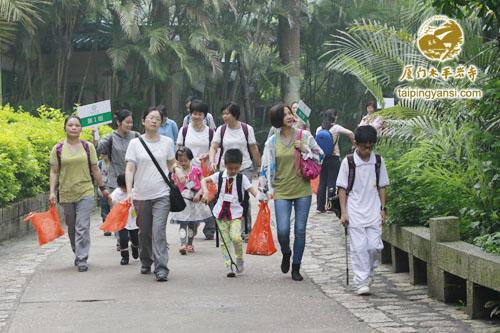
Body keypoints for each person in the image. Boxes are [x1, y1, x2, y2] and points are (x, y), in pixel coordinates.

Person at [259, 103, 324, 281]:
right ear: (277, 119)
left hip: (302, 189)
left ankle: (296, 266)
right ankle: (286, 252)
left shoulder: (305, 136)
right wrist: (263, 193)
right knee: (282, 230)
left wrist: (306, 150)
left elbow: (321, 156)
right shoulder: (272, 142)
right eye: (284, 114)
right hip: (281, 191)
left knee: (300, 230)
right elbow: (265, 168)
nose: (289, 116)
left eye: (289, 113)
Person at [49, 115, 108, 272]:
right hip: (66, 192)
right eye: (70, 125)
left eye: (77, 125)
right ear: (65, 128)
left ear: (81, 128)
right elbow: (54, 172)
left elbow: (95, 169)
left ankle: (82, 258)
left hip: (85, 191)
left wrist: (102, 188)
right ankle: (77, 250)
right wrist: (52, 192)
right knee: (72, 226)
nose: (74, 128)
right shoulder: (58, 149)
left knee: (82, 225)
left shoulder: (88, 147)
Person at [336, 125, 390, 295]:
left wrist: (383, 209)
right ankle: (361, 282)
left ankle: (369, 272)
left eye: (370, 146)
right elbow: (342, 189)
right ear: (356, 144)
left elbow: (382, 187)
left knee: (374, 247)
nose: (367, 150)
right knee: (359, 248)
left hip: (373, 209)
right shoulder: (349, 162)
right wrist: (344, 212)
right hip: (355, 210)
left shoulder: (378, 162)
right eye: (364, 146)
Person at [125, 107, 176, 282]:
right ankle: (146, 260)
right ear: (143, 121)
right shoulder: (135, 143)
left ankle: (161, 267)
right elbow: (130, 168)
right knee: (144, 232)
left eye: (158, 118)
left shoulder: (168, 142)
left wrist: (179, 172)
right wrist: (129, 191)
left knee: (158, 231)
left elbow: (171, 164)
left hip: (162, 193)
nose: (154, 120)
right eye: (151, 117)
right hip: (140, 195)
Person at [201, 149, 259, 278]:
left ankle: (239, 258)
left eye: (236, 168)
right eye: (230, 168)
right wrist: (205, 192)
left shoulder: (242, 178)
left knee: (236, 237)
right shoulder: (219, 176)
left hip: (236, 214)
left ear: (240, 166)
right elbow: (204, 181)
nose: (233, 171)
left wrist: (261, 198)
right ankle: (229, 264)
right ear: (225, 164)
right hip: (220, 214)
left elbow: (252, 190)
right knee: (225, 241)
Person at [208, 102, 261, 241]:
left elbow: (254, 148)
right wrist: (213, 161)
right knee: (225, 198)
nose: (225, 116)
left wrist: (259, 166)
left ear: (235, 114)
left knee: (244, 198)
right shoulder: (221, 130)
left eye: (228, 113)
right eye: (223, 113)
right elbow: (213, 147)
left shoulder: (246, 129)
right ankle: (229, 226)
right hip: (225, 169)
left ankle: (246, 229)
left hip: (244, 167)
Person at [94, 109, 139, 248]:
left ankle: (135, 237)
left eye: (131, 122)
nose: (130, 125)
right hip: (116, 182)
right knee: (119, 213)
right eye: (127, 122)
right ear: (119, 122)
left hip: (134, 180)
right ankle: (122, 240)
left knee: (134, 212)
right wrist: (95, 136)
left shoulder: (136, 136)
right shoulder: (111, 137)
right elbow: (98, 149)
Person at [177, 99, 216, 240]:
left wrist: (209, 158)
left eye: (200, 114)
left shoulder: (211, 133)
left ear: (205, 115)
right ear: (190, 114)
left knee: (207, 201)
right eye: (194, 113)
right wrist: (178, 168)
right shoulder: (184, 130)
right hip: (188, 173)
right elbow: (178, 150)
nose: (197, 116)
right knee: (190, 204)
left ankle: (210, 228)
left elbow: (214, 150)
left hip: (204, 173)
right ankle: (188, 236)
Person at [170, 147, 214, 254]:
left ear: (190, 159)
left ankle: (189, 244)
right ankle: (182, 244)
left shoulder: (196, 170)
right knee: (182, 223)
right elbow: (174, 186)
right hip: (182, 202)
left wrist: (199, 194)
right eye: (180, 161)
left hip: (194, 202)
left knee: (192, 224)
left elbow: (203, 184)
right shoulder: (176, 173)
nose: (183, 163)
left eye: (185, 160)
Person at [315, 109, 355, 213]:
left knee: (322, 182)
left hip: (322, 158)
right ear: (334, 117)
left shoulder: (319, 129)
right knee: (332, 181)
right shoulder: (336, 128)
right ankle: (330, 206)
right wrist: (354, 144)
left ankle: (320, 207)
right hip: (334, 157)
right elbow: (350, 133)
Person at [109, 174, 139, 265]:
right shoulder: (117, 192)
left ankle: (135, 248)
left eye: (126, 187)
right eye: (123, 187)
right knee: (123, 239)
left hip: (133, 219)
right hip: (122, 220)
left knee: (135, 238)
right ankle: (125, 256)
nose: (125, 190)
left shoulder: (134, 191)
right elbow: (111, 200)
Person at [97, 155, 112, 236]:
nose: (105, 155)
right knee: (105, 208)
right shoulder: (99, 164)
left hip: (113, 188)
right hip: (103, 189)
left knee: (114, 208)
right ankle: (107, 228)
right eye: (104, 154)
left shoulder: (114, 162)